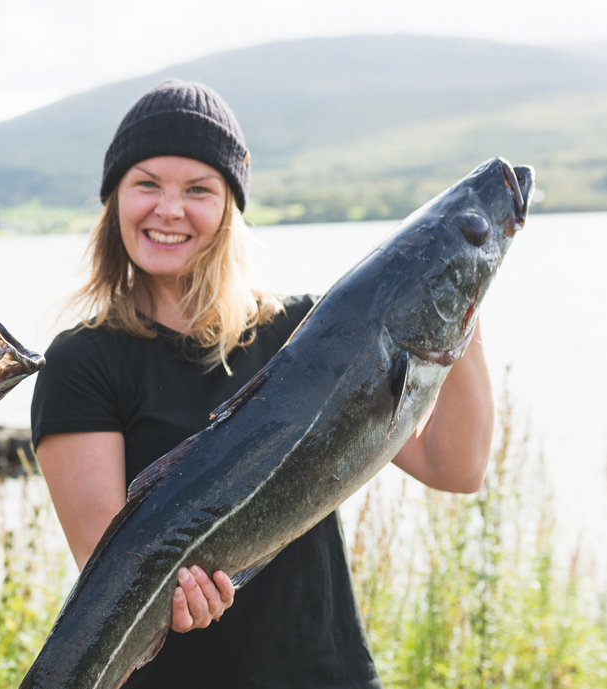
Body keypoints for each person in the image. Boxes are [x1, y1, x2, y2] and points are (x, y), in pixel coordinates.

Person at [30, 80, 494, 688]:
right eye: (147, 184)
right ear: (115, 198)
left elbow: (456, 468)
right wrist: (175, 601)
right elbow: (108, 585)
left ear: (229, 209)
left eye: (199, 190)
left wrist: (459, 289)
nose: (169, 209)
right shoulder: (82, 362)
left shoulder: (305, 332)